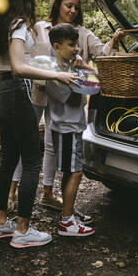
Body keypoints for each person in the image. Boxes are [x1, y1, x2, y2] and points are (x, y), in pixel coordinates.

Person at [0, 0, 79, 248]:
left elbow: (3, 66)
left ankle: (0, 223)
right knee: (32, 161)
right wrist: (56, 75)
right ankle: (23, 229)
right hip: (16, 92)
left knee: (9, 159)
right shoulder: (18, 25)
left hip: (0, 93)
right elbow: (19, 67)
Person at [8, 0, 122, 218]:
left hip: (66, 99)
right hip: (39, 91)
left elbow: (103, 54)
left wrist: (116, 38)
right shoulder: (40, 28)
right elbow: (24, 54)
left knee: (50, 145)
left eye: (76, 7)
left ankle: (48, 193)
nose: (72, 10)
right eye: (68, 5)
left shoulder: (82, 33)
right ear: (58, 5)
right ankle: (11, 190)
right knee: (26, 140)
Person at [46, 23, 95, 236]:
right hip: (66, 128)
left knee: (70, 170)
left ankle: (69, 210)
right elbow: (74, 97)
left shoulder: (70, 67)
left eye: (77, 44)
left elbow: (94, 81)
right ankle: (66, 222)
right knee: (76, 171)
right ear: (57, 46)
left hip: (72, 127)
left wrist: (85, 68)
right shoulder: (55, 72)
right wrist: (83, 82)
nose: (76, 49)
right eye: (71, 45)